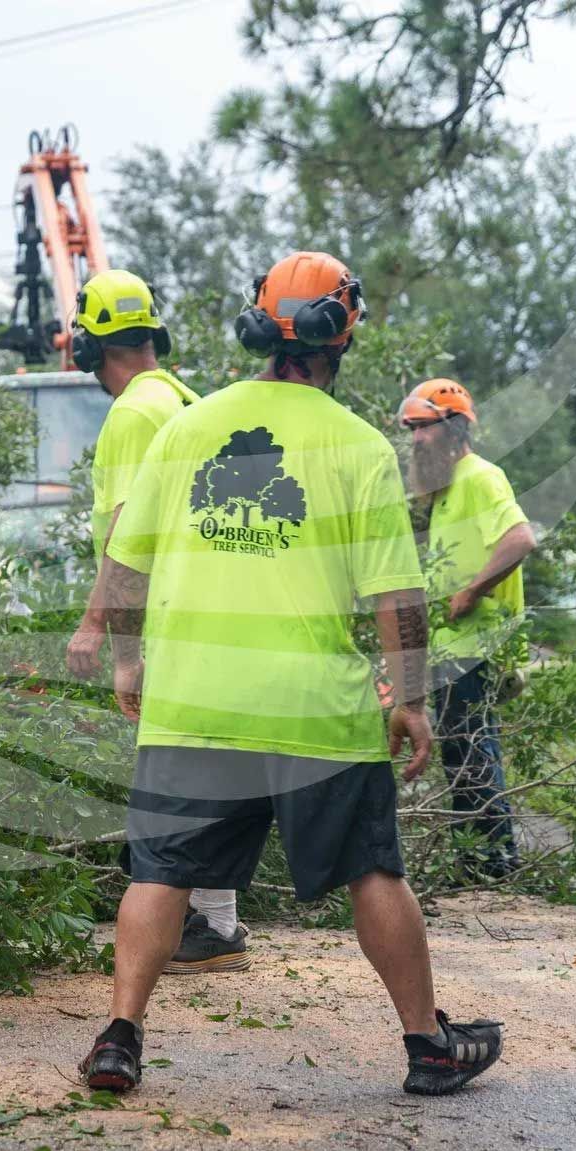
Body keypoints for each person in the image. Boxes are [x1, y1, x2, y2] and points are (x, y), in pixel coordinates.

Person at [79, 252, 503, 1098]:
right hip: (317, 713)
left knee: (159, 872)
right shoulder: (357, 448)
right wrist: (412, 699)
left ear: (259, 326)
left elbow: (125, 567)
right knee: (374, 870)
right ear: (340, 335)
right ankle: (426, 1046)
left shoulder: (185, 429)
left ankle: (120, 1038)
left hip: (195, 702)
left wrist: (128, 660)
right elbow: (396, 594)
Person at [61, 270, 250, 975]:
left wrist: (101, 631)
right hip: (212, 608)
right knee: (203, 762)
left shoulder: (134, 412)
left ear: (89, 344)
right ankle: (214, 921)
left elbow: (124, 531)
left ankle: (208, 924)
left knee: (179, 772)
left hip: (171, 616)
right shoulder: (183, 399)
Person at [403, 379, 535, 877]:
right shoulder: (442, 491)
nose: (416, 439)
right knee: (462, 751)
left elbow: (520, 538)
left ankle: (494, 865)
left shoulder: (481, 477)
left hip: (479, 644)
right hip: (452, 647)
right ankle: (475, 862)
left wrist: (473, 590)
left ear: (454, 428)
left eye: (425, 428)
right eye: (412, 429)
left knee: (472, 751)